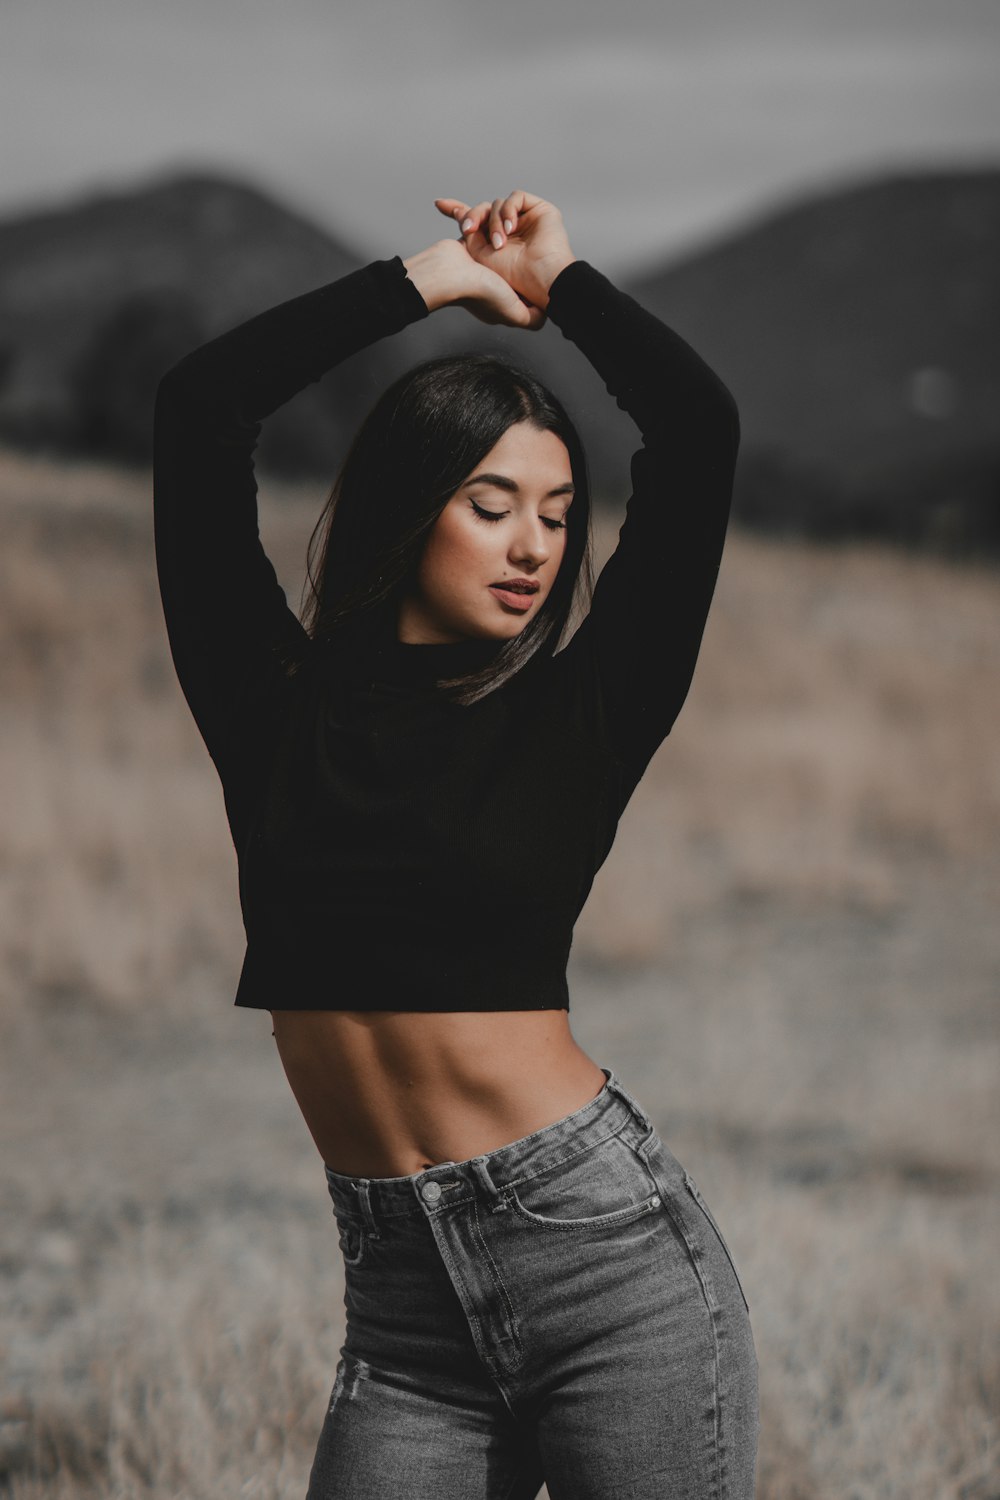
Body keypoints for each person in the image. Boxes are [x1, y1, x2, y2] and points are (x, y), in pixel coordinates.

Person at [153, 189, 759, 1499]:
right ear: (410, 504)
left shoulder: (587, 714)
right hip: (406, 1320)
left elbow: (698, 430)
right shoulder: (272, 709)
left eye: (556, 512)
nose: (535, 545)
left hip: (609, 1273)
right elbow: (200, 411)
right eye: (493, 503)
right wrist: (427, 281)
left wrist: (570, 280)